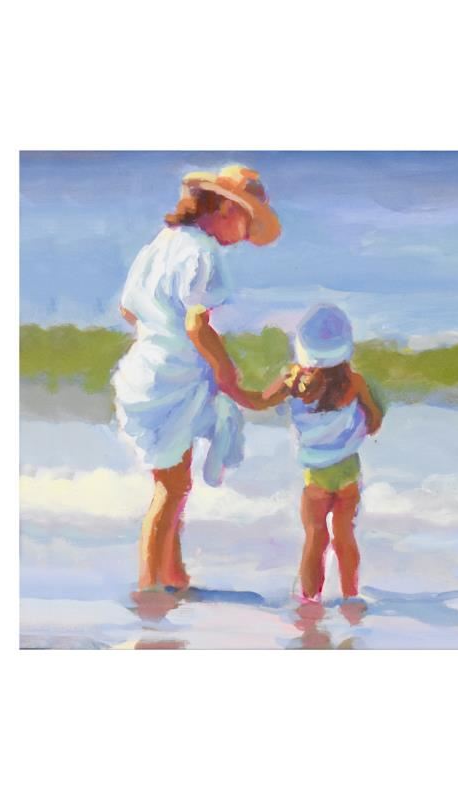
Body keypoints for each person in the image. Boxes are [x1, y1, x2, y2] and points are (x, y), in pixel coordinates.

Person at [112, 165, 281, 592]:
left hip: (144, 369)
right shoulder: (203, 252)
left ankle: (173, 576)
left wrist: (159, 333)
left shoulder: (161, 243)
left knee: (173, 482)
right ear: (227, 209)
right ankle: (150, 586)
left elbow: (128, 309)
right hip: (174, 377)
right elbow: (196, 324)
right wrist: (225, 370)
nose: (245, 237)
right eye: (247, 224)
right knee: (170, 489)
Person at [251, 304, 383, 603]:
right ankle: (350, 597)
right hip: (348, 469)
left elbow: (259, 402)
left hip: (316, 475)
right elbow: (374, 421)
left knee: (315, 536)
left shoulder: (293, 382)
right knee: (344, 536)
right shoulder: (354, 382)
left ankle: (310, 601)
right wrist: (353, 429)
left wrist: (227, 387)